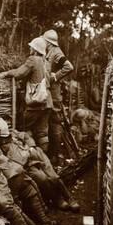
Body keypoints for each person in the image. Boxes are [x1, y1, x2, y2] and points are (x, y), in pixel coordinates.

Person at [0, 116, 80, 212]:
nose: (5, 141)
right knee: (42, 178)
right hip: (28, 165)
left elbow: (26, 135)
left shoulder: (13, 133)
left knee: (53, 176)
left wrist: (31, 147)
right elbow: (14, 162)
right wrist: (26, 155)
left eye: (7, 137)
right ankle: (58, 199)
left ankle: (69, 197)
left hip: (37, 154)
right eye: (2, 139)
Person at [0, 37, 52, 153]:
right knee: (42, 133)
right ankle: (43, 159)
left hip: (35, 102)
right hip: (47, 102)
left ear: (35, 49)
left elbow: (19, 73)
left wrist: (4, 74)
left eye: (31, 47)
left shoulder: (33, 59)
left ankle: (26, 157)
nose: (30, 48)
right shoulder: (47, 62)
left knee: (22, 128)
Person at [42, 29, 74, 164]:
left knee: (55, 121)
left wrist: (56, 76)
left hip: (54, 93)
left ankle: (57, 155)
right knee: (49, 121)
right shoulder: (50, 51)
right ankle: (53, 154)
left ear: (48, 42)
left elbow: (69, 67)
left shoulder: (56, 53)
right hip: (48, 91)